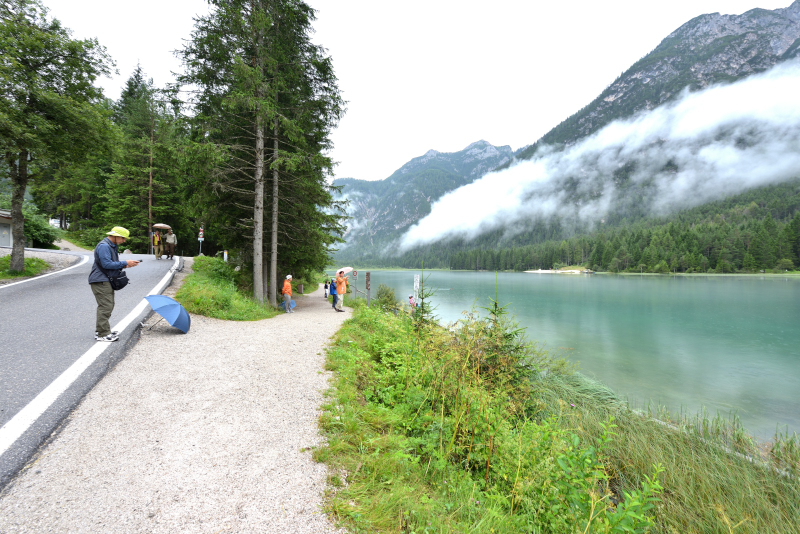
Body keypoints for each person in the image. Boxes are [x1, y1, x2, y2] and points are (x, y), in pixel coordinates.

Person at [88, 226, 140, 342]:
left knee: (108, 305)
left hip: (104, 279)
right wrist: (124, 262)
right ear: (116, 236)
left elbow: (111, 264)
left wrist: (126, 265)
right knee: (106, 306)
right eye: (123, 238)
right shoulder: (104, 246)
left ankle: (102, 330)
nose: (124, 241)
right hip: (100, 280)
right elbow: (106, 264)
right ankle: (102, 334)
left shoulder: (110, 245)